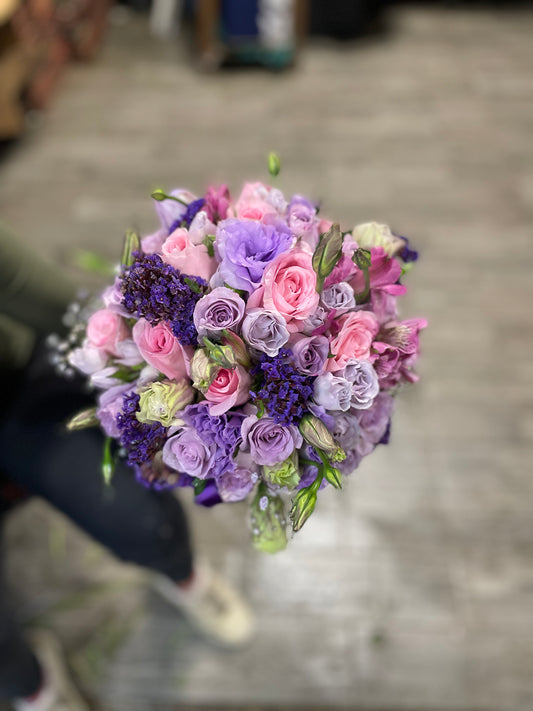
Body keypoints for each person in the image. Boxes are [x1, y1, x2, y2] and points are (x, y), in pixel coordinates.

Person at [0, 222, 254, 711]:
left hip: (15, 393)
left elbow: (53, 305)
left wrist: (147, 365)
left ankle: (185, 576)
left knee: (136, 515)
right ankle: (33, 689)